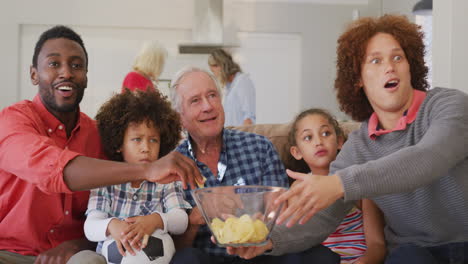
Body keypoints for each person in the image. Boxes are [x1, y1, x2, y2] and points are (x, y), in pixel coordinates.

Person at [274, 15, 468, 264]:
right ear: (358, 79)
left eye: (398, 57)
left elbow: (429, 157)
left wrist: (339, 183)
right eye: (376, 61)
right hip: (412, 255)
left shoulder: (449, 105)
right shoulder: (358, 146)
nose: (390, 67)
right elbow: (323, 217)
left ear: (411, 66)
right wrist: (267, 241)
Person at [0, 25, 201, 264]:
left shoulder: (98, 135)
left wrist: (78, 244)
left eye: (76, 65)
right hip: (11, 253)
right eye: (54, 64)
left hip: (75, 255)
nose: (66, 73)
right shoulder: (12, 121)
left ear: (85, 75)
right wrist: (148, 169)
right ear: (34, 74)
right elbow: (53, 169)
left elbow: (108, 213)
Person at [168, 66, 340, 264]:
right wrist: (193, 221)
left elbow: (282, 220)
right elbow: (174, 247)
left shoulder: (259, 147)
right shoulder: (173, 165)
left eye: (212, 95)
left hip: (260, 255)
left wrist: (261, 220)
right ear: (180, 116)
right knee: (184, 260)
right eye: (195, 101)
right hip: (207, 258)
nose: (208, 106)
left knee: (321, 257)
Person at [84, 89, 191, 260]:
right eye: (137, 139)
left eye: (153, 140)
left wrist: (154, 221)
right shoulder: (105, 181)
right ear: (119, 143)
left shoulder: (167, 180)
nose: (145, 148)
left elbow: (181, 221)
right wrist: (113, 225)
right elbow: (90, 227)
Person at [288, 108, 386, 264]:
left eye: (326, 133)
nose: (318, 142)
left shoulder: (359, 182)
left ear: (340, 142)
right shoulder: (298, 189)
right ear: (297, 152)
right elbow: (297, 240)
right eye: (308, 137)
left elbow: (377, 245)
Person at [208, 49, 256, 126]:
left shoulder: (242, 81)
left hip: (239, 135)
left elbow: (249, 117)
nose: (215, 75)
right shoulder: (226, 88)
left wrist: (241, 136)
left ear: (221, 65)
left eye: (214, 71)